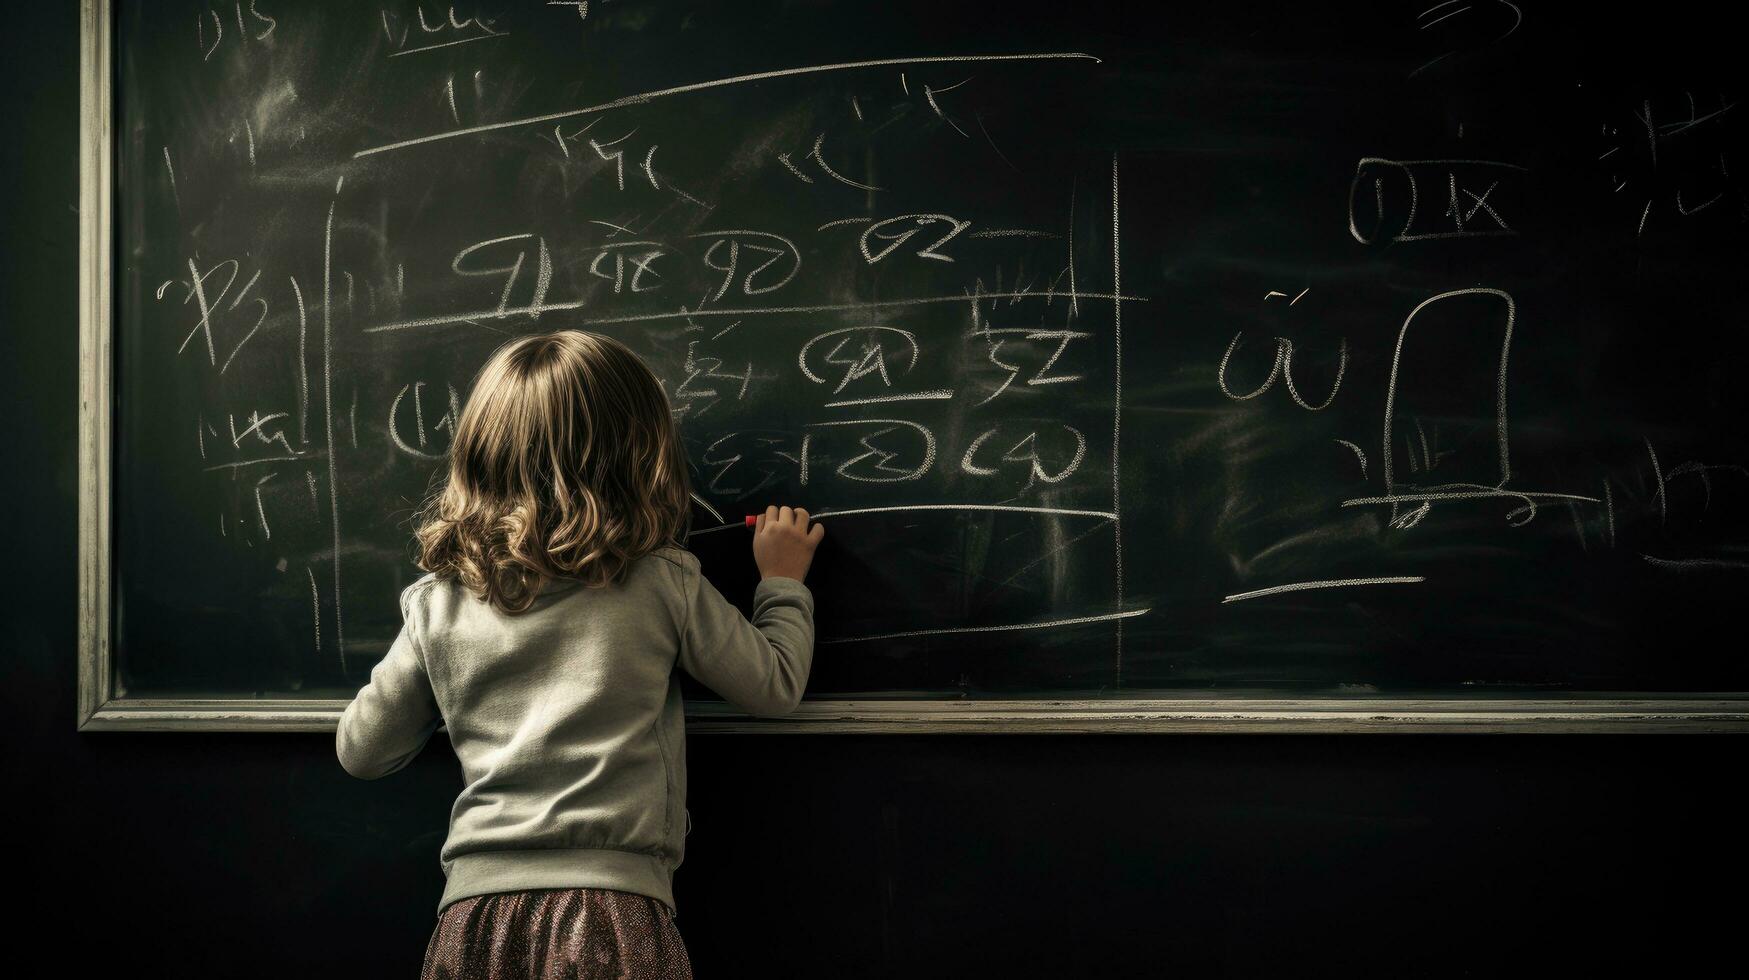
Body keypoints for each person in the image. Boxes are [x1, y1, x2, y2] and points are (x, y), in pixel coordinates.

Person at [335, 329, 824, 979]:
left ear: (479, 456)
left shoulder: (438, 604)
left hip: (475, 920)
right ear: (638, 454)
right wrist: (783, 582)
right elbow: (775, 685)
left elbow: (363, 751)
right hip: (610, 912)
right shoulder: (659, 582)